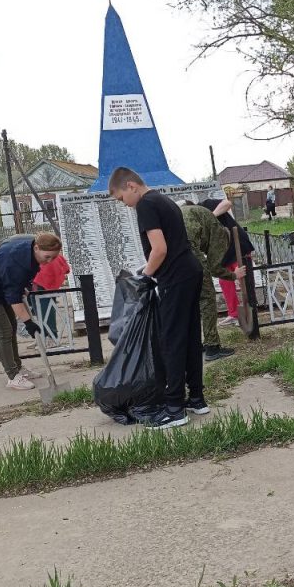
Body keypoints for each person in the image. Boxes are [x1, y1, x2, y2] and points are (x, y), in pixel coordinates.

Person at [109, 167, 205, 429]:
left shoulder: (146, 204)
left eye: (121, 198)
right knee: (190, 336)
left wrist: (147, 275)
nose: (124, 205)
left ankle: (174, 408)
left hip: (175, 277)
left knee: (172, 341)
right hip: (190, 270)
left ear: (131, 186)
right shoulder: (162, 199)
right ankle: (196, 398)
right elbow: (169, 245)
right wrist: (148, 268)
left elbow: (160, 249)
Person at [0, 233, 62, 391]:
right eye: (47, 257)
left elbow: (14, 281)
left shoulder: (31, 248)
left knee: (11, 328)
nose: (49, 261)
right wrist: (29, 323)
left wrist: (22, 285)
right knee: (4, 331)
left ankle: (17, 368)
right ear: (36, 248)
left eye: (53, 257)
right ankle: (12, 376)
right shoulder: (17, 261)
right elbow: (13, 297)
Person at [181, 201, 243, 361]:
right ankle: (212, 348)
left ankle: (193, 344)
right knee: (207, 299)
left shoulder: (188, 211)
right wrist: (234, 275)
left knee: (189, 301)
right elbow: (215, 268)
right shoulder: (219, 232)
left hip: (170, 253)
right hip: (188, 251)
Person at [199, 197, 255, 327]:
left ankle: (252, 311)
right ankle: (234, 314)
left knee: (244, 280)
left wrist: (211, 216)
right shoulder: (193, 221)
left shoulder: (206, 204)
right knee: (225, 280)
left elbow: (227, 203)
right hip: (221, 249)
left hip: (238, 244)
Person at [28, 251, 71, 346]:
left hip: (42, 280)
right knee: (41, 309)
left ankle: (51, 336)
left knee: (45, 309)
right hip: (44, 280)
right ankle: (43, 335)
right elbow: (66, 269)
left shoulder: (44, 253)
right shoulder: (52, 253)